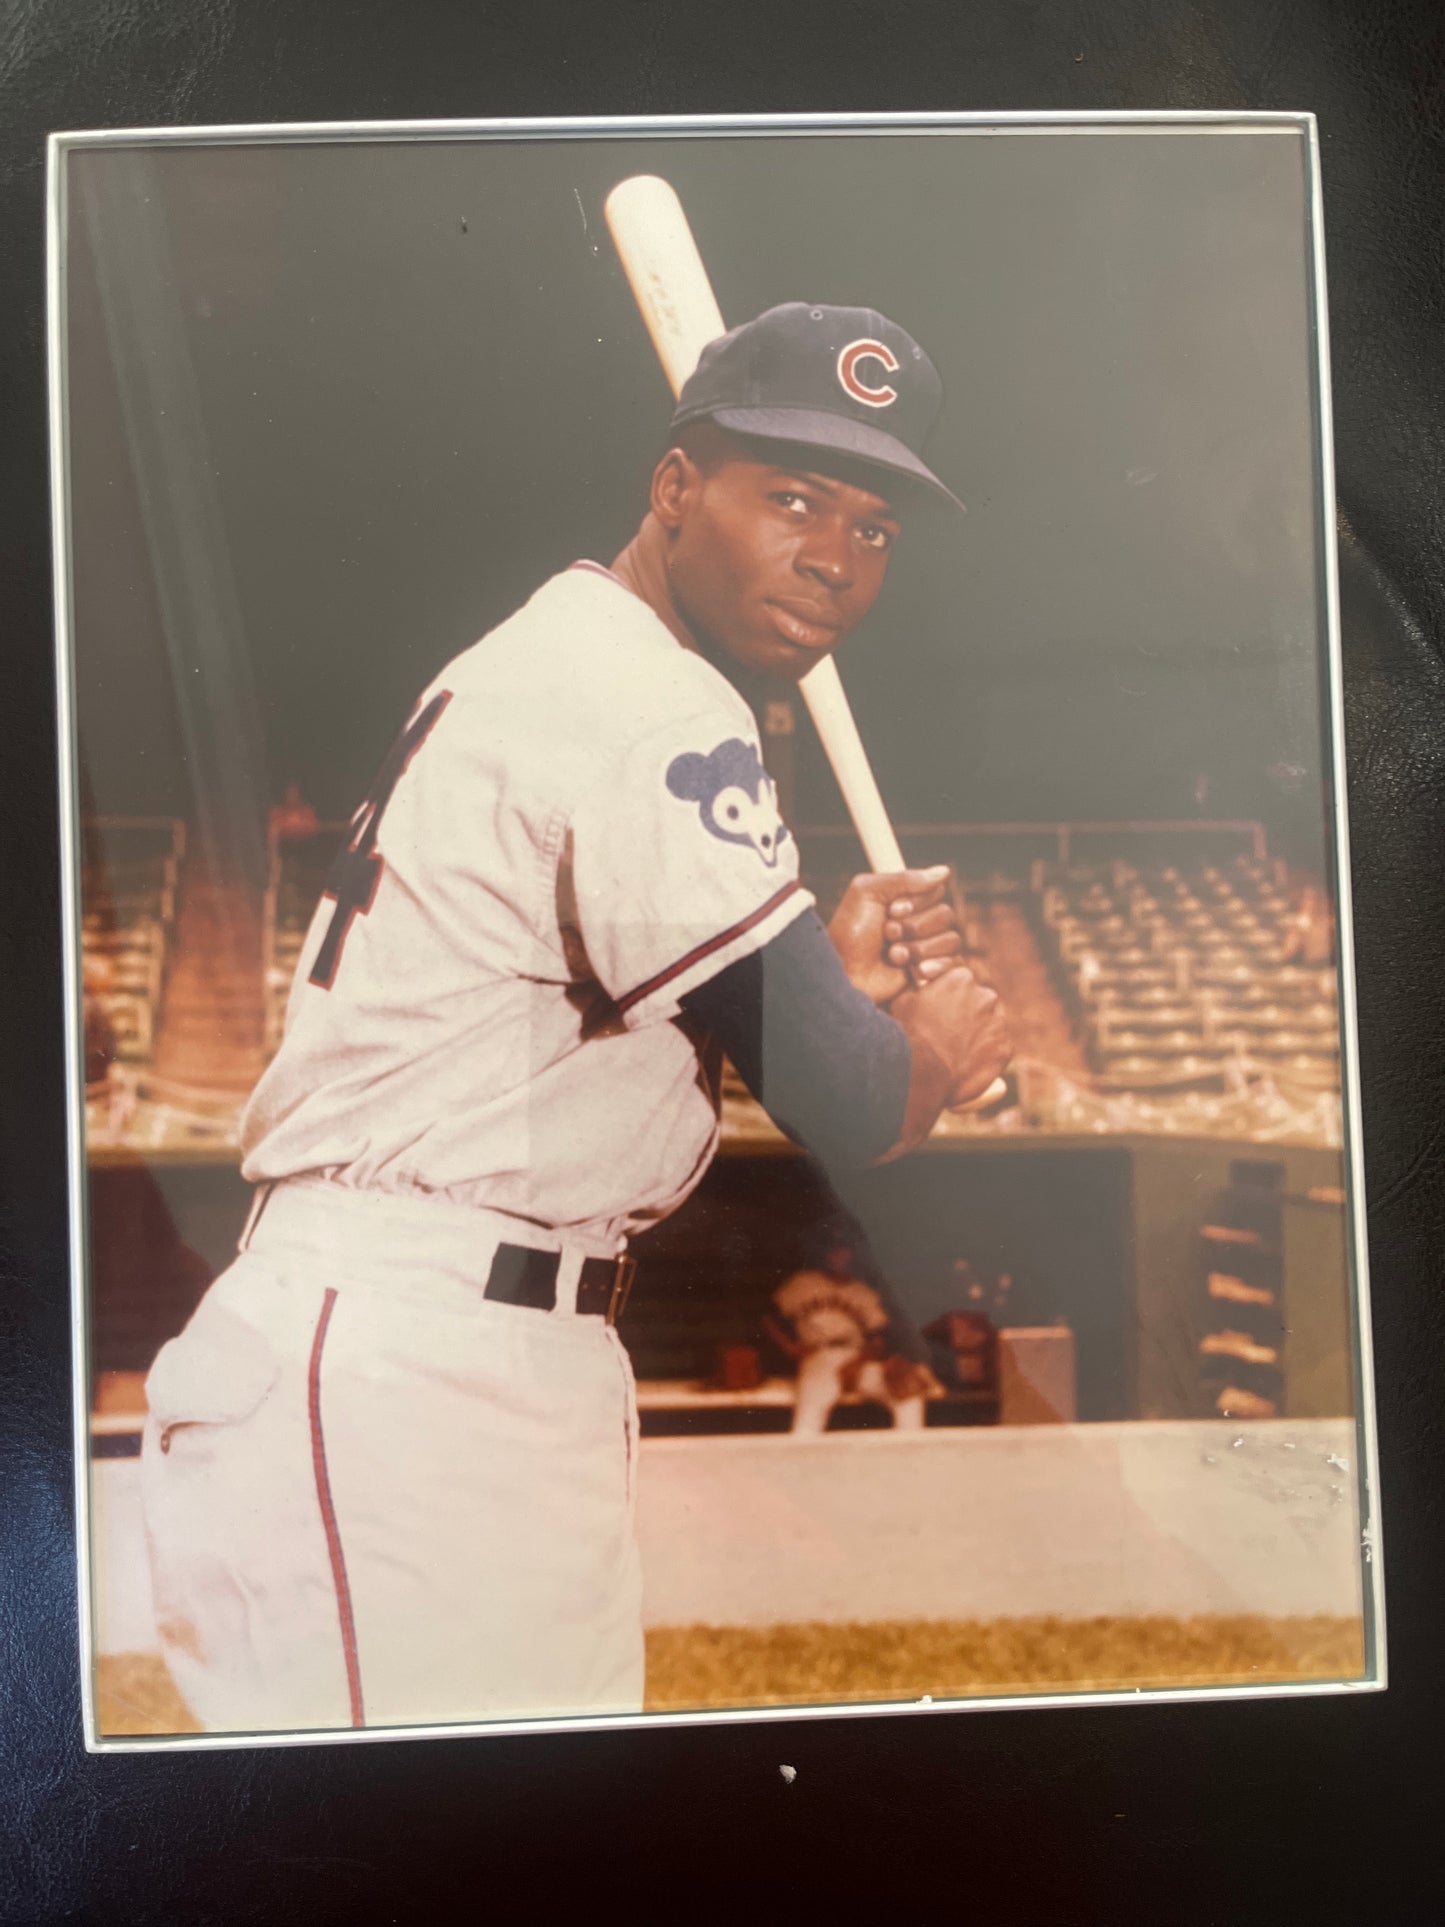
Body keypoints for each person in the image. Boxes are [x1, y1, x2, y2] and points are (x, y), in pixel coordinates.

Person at [140, 301, 1011, 1734]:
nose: (835, 559)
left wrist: (839, 989)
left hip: (463, 1349)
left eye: (873, 528)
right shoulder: (646, 702)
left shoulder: (559, 655)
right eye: (790, 498)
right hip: (403, 1365)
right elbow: (851, 1099)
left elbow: (631, 1033)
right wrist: (938, 1042)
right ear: (675, 488)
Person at [770, 1242, 941, 1434]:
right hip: (820, 1355)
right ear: (824, 1255)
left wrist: (858, 1362)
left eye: (844, 1252)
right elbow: (768, 1316)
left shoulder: (863, 1292)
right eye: (833, 1251)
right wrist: (789, 1346)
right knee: (812, 1408)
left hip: (858, 1357)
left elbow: (879, 1339)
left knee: (908, 1393)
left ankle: (909, 1452)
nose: (839, 1257)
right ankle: (802, 1456)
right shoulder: (803, 1283)